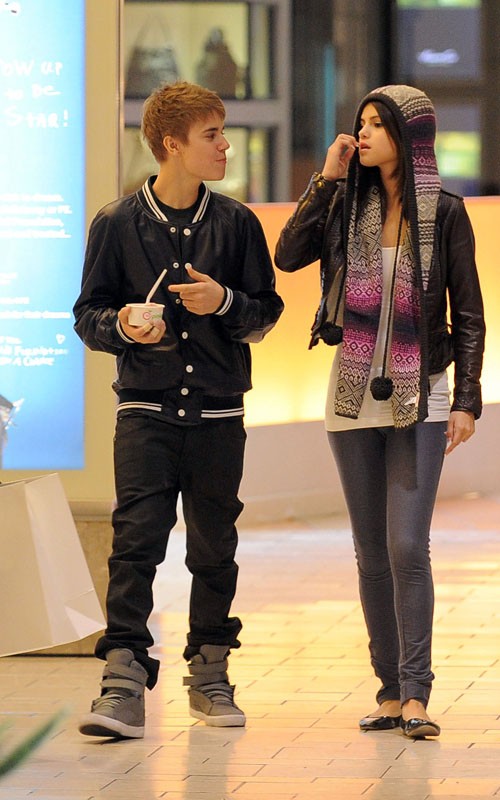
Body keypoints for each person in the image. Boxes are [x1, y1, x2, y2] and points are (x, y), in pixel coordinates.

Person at [73, 81, 283, 739]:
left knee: (215, 546)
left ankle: (211, 673)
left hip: (218, 413)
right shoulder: (116, 223)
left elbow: (265, 312)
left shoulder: (237, 224)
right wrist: (122, 325)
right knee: (135, 543)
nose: (225, 147)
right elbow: (87, 315)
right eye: (211, 135)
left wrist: (225, 302)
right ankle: (122, 680)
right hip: (145, 410)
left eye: (222, 133)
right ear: (172, 143)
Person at [275, 84, 485, 739]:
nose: (362, 133)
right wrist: (326, 179)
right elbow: (288, 255)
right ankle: (390, 692)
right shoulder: (344, 204)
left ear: (410, 136)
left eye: (377, 125)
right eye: (360, 123)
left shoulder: (445, 213)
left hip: (422, 392)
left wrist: (468, 399)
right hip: (351, 391)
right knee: (370, 552)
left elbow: (468, 312)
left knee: (406, 545)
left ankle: (418, 693)